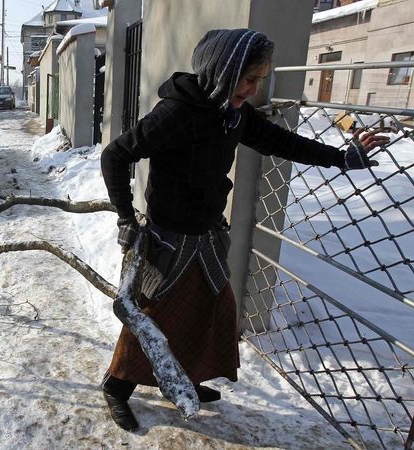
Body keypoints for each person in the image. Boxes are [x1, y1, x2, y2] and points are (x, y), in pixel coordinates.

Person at [99, 28, 388, 432]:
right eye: (248, 79)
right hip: (169, 238)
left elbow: (284, 143)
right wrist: (126, 218)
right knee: (153, 316)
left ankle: (180, 379)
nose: (253, 90)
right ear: (222, 71)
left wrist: (344, 157)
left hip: (208, 235)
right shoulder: (177, 113)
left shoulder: (232, 114)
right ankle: (116, 387)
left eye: (259, 81)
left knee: (209, 310)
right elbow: (116, 154)